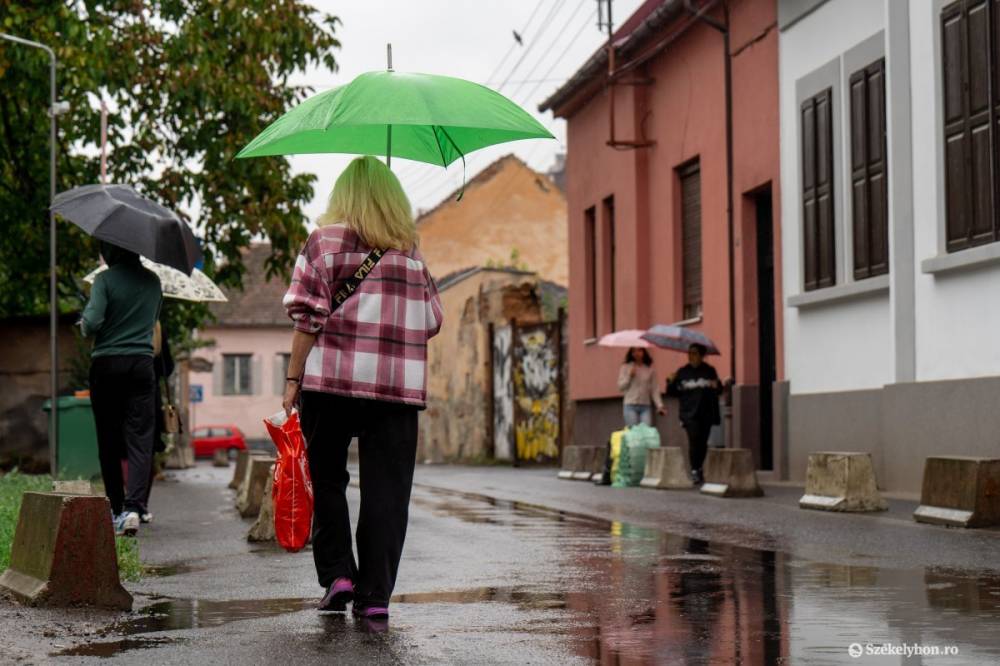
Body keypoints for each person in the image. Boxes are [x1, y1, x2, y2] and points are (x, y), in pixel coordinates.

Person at [281, 155, 443, 622]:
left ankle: (338, 576)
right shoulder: (411, 253)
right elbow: (433, 320)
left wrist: (293, 380)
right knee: (387, 492)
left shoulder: (322, 243)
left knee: (326, 479)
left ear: (344, 195)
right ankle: (375, 597)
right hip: (394, 391)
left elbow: (307, 317)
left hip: (330, 384)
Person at [82, 242, 162, 536]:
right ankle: (134, 508)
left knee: (108, 439)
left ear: (113, 251)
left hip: (106, 365)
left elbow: (91, 323)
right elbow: (151, 322)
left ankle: (116, 509)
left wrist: (85, 323)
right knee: (140, 438)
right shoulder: (153, 282)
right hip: (141, 365)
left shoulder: (104, 279)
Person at [666, 343, 723, 485]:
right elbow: (672, 393)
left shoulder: (709, 371)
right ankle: (694, 469)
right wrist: (670, 382)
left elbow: (718, 390)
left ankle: (699, 468)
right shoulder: (682, 372)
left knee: (702, 442)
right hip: (689, 413)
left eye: (695, 353)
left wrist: (719, 385)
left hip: (706, 412)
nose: (691, 356)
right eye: (689, 353)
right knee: (694, 439)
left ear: (702, 355)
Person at [617, 347, 666, 427]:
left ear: (644, 352)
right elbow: (621, 387)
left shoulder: (650, 370)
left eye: (639, 350)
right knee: (634, 434)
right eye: (634, 351)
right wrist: (629, 376)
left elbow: (654, 390)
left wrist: (660, 406)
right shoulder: (625, 367)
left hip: (645, 406)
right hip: (630, 405)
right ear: (631, 353)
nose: (637, 353)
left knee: (646, 433)